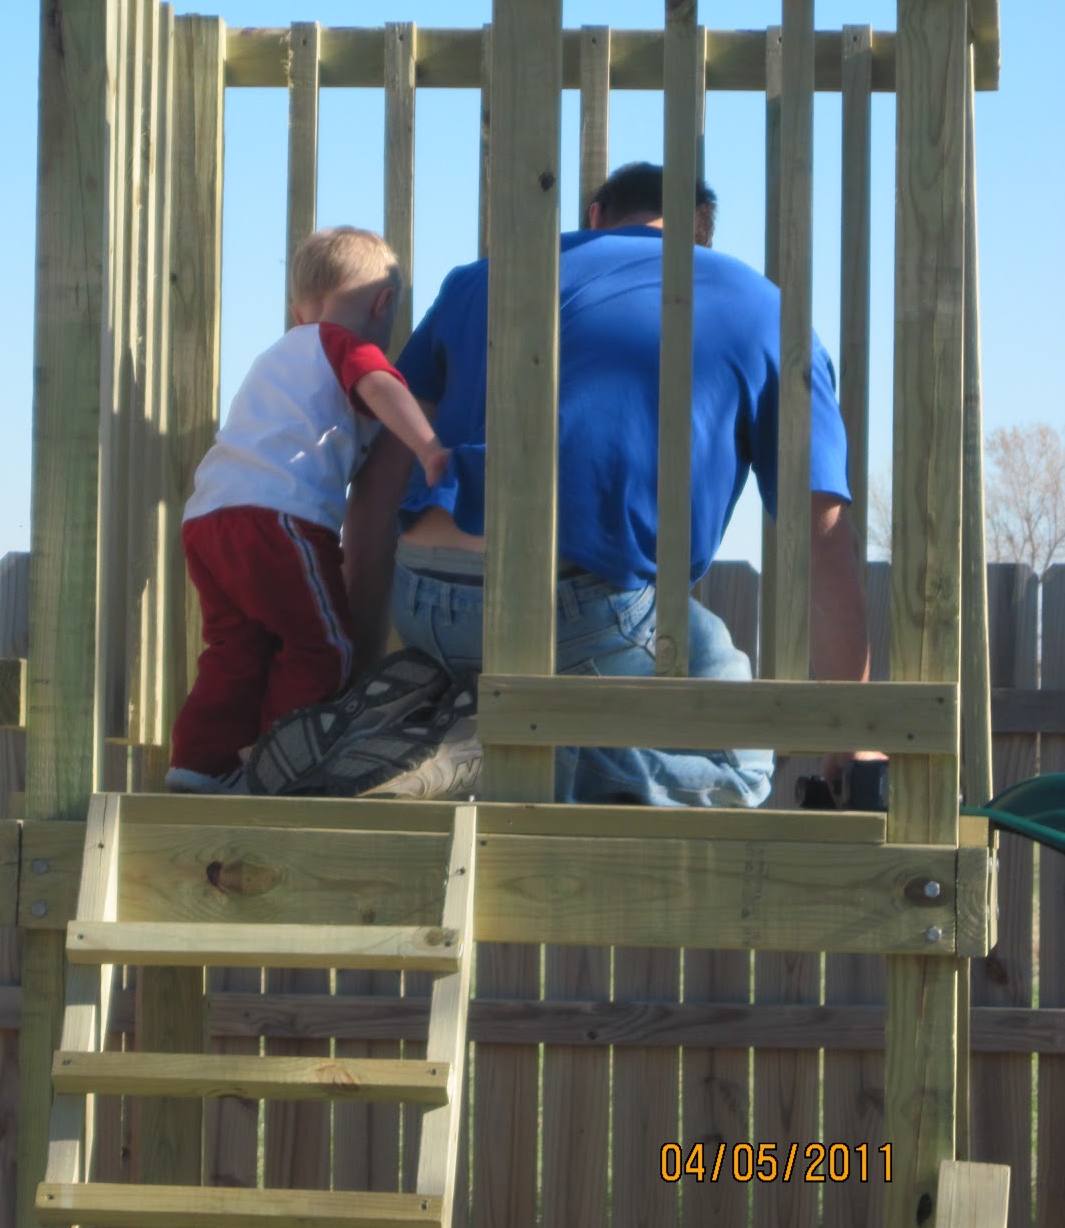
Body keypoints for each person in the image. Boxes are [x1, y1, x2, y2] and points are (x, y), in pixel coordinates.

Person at [246, 165, 874, 805]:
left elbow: (381, 479)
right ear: (699, 237)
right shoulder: (765, 310)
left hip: (426, 593)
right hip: (573, 611)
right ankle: (494, 753)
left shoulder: (483, 279)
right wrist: (853, 734)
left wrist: (362, 662)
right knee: (740, 758)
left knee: (654, 654)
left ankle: (415, 717)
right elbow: (823, 539)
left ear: (596, 217)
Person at [163, 226, 450, 794]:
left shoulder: (276, 357)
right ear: (383, 303)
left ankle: (197, 764)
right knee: (326, 647)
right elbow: (377, 385)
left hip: (208, 519)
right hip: (279, 519)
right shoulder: (344, 345)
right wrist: (426, 446)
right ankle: (279, 767)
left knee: (236, 646)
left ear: (298, 305)